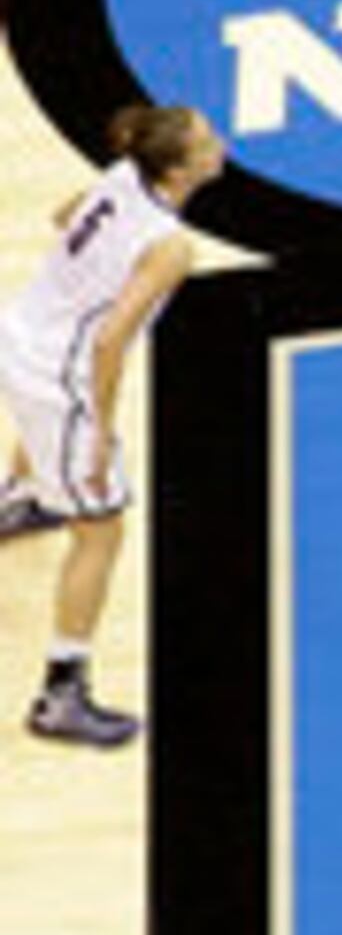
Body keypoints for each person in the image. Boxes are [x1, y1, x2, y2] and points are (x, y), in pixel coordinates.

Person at [1, 105, 223, 747]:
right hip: (60, 372)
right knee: (101, 531)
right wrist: (99, 430)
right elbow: (109, 342)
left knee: (48, 439)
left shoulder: (126, 173)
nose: (219, 145)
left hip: (23, 330)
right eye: (206, 142)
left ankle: (20, 500)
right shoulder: (170, 247)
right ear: (180, 169)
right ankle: (61, 694)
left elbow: (65, 217)